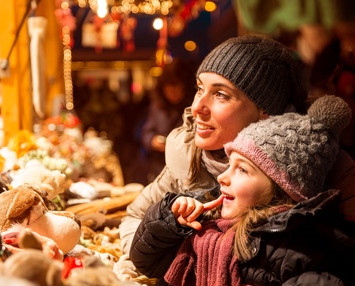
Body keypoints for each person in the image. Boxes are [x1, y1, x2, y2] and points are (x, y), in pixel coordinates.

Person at [119, 35, 355, 256]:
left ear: (265, 112)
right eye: (200, 88)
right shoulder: (188, 155)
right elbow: (135, 217)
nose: (197, 107)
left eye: (221, 94)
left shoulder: (325, 166)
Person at [130, 95, 355, 286]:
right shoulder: (208, 223)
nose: (223, 178)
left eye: (242, 170)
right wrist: (170, 221)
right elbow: (146, 263)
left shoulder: (301, 250)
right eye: (230, 165)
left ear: (282, 189)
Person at [134, 59, 197, 185]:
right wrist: (153, 141)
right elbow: (146, 132)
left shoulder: (194, 108)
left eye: (177, 85)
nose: (172, 91)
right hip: (159, 167)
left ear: (185, 86)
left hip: (187, 169)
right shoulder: (157, 106)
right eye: (168, 86)